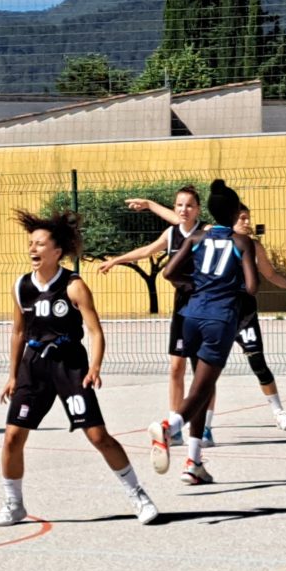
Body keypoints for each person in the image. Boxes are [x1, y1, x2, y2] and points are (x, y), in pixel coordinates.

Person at [0, 207, 159, 528]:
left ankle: (138, 495)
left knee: (98, 436)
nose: (33, 249)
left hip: (69, 365)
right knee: (12, 437)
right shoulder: (21, 287)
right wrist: (12, 375)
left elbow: (95, 331)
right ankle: (13, 504)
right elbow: (18, 332)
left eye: (40, 244)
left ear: (57, 251)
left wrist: (94, 366)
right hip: (33, 367)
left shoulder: (73, 285)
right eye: (31, 243)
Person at [127, 195, 286, 433]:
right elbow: (179, 219)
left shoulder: (251, 245)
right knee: (203, 373)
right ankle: (201, 428)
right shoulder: (210, 236)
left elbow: (271, 275)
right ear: (230, 218)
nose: (247, 222)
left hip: (242, 314)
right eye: (243, 218)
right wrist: (150, 205)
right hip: (218, 314)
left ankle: (278, 411)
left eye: (248, 218)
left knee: (257, 362)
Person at [148, 180, 256, 487]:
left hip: (191, 315)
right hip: (219, 319)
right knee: (201, 388)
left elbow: (169, 272)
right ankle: (169, 428)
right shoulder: (241, 242)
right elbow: (251, 287)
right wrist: (230, 291)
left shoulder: (197, 237)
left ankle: (194, 463)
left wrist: (195, 285)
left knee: (201, 388)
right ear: (234, 213)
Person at [100, 187, 212, 441]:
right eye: (179, 205)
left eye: (189, 205)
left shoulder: (207, 232)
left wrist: (150, 204)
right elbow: (146, 251)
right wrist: (116, 260)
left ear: (198, 209)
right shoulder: (171, 234)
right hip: (182, 305)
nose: (184, 209)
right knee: (176, 367)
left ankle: (205, 426)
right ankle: (175, 427)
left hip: (205, 305)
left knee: (203, 371)